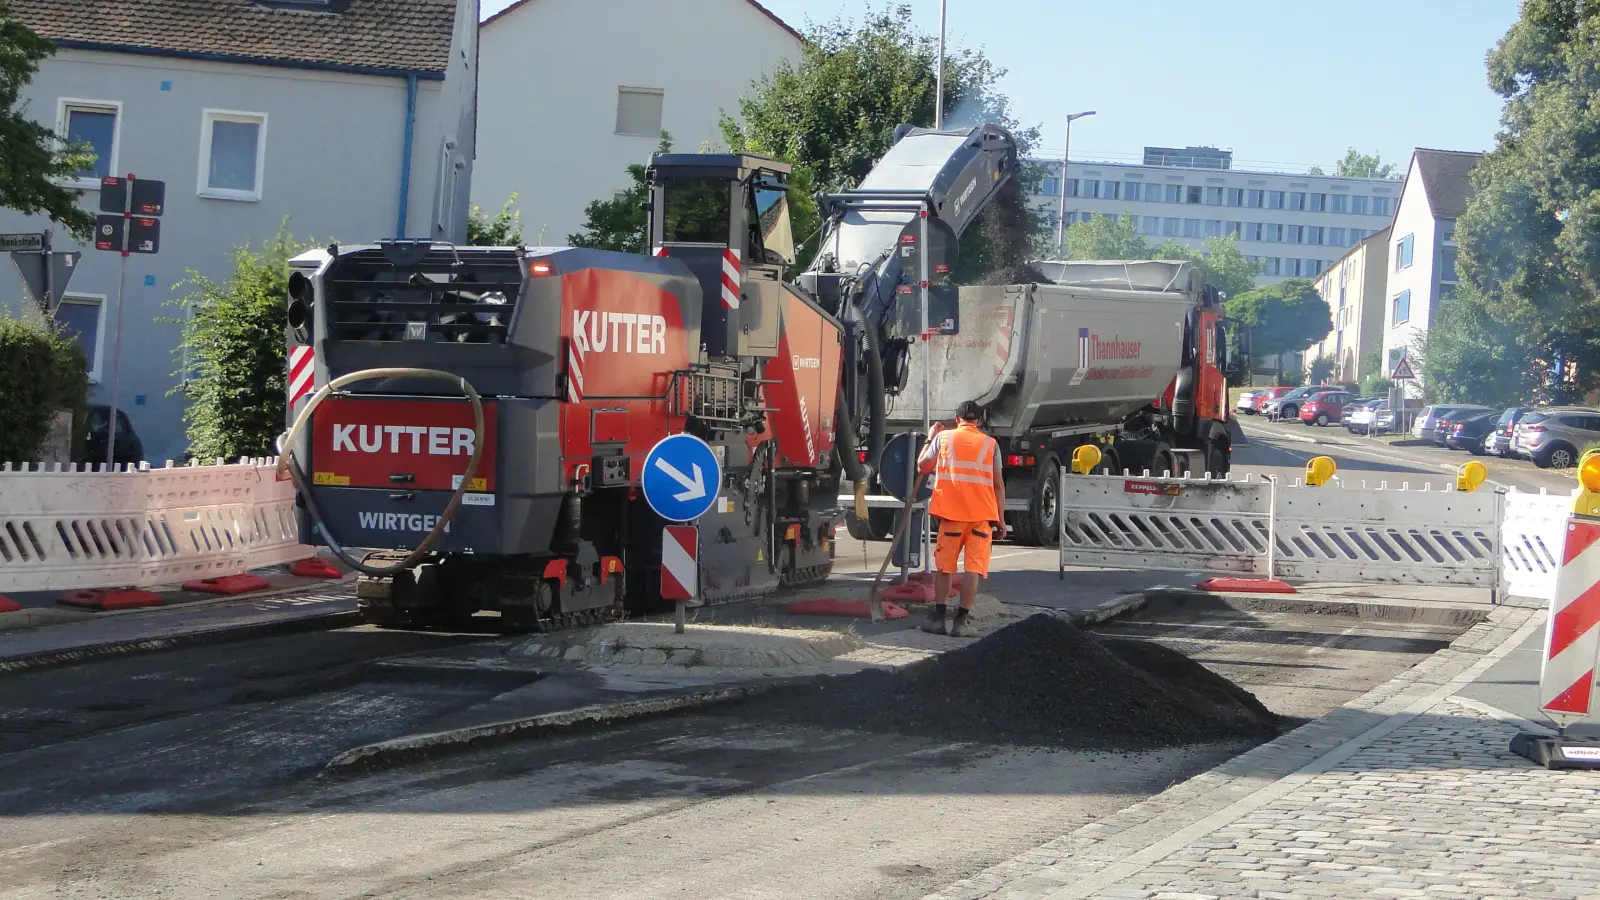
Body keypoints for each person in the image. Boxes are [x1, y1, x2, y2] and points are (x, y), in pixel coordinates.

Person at [915, 399, 1006, 637]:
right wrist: (1001, 519)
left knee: (945, 568)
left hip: (951, 515)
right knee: (972, 569)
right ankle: (961, 623)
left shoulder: (943, 438)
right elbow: (998, 485)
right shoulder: (990, 444)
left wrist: (930, 437)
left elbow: (922, 467)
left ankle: (938, 619)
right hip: (981, 517)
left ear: (957, 420)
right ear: (979, 420)